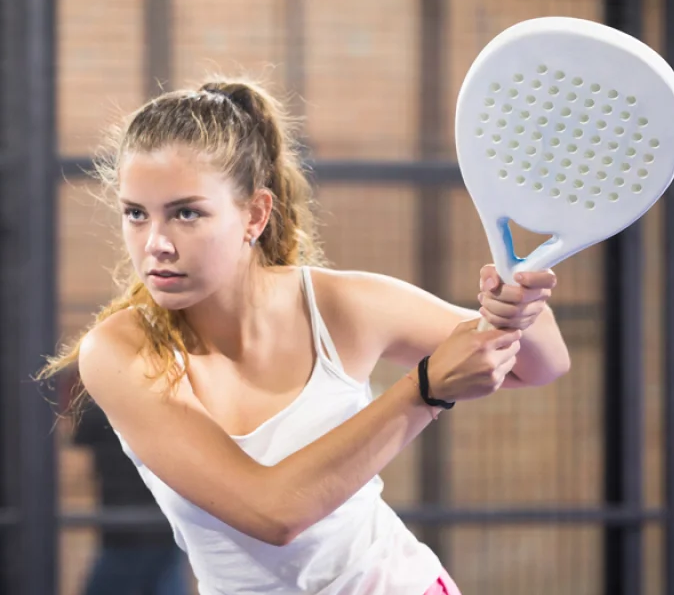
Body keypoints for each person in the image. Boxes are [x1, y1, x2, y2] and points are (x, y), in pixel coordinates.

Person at [39, 78, 570, 595]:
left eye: (186, 213)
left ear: (255, 215)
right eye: (135, 214)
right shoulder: (120, 350)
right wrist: (425, 391)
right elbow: (273, 514)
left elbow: (541, 364)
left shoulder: (339, 306)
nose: (156, 243)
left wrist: (521, 307)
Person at [64, 370, 192, 595]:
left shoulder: (99, 407)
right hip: (163, 525)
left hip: (126, 529)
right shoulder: (169, 404)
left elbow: (72, 474)